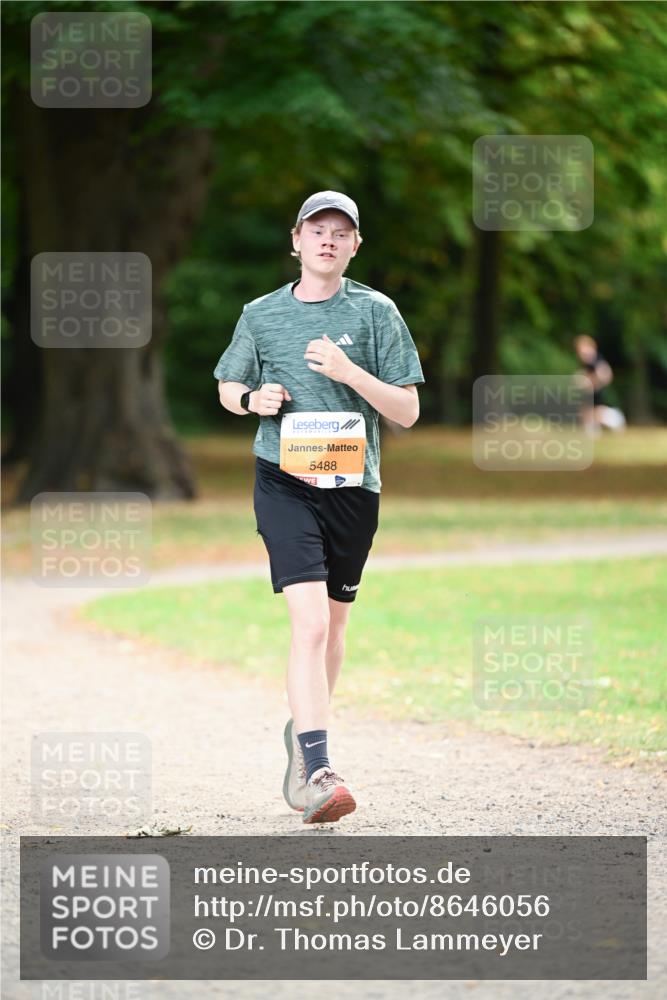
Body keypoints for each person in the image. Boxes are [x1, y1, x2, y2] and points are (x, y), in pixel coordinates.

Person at [214, 191, 425, 823]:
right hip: (284, 481)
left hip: (353, 488)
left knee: (333, 629)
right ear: (296, 241)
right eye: (316, 231)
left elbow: (409, 411)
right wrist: (254, 400)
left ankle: (300, 736)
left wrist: (349, 371)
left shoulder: (376, 312)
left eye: (341, 232)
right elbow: (227, 386)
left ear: (355, 245)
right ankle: (318, 768)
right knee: (307, 625)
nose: (328, 241)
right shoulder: (261, 314)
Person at [573, 334, 626, 433]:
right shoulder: (586, 364)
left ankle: (614, 418)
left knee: (595, 413)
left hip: (597, 396)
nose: (582, 353)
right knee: (585, 414)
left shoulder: (597, 361)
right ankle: (597, 425)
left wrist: (590, 382)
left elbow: (606, 376)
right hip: (589, 397)